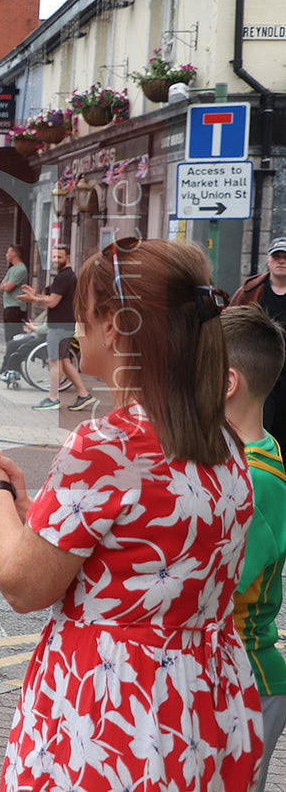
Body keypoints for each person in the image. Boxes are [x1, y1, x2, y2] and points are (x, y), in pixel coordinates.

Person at [0, 237, 260, 791]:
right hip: (200, 703)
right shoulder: (224, 439)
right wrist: (24, 501)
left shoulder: (109, 444)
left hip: (112, 707)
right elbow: (127, 548)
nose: (78, 328)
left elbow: (23, 585)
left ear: (116, 327)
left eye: (85, 316)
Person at [223, 303, 286, 792]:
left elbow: (212, 584)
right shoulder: (241, 459)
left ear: (226, 383)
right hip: (227, 671)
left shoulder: (256, 479)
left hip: (247, 677)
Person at [20, 244, 93, 412]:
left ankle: (53, 398)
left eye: (59, 257)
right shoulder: (65, 276)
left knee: (55, 362)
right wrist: (36, 295)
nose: (55, 260)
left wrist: (32, 299)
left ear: (67, 258)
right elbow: (52, 298)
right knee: (64, 361)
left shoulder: (64, 277)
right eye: (53, 257)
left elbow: (52, 302)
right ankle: (83, 395)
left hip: (59, 326)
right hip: (65, 325)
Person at [230, 236, 286, 447]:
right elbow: (231, 325)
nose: (281, 261)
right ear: (269, 261)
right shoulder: (249, 292)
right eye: (277, 257)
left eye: (285, 257)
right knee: (258, 429)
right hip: (259, 371)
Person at [0, 244, 29, 344]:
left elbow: (7, 287)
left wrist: (5, 285)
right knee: (8, 335)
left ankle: (13, 356)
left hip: (16, 308)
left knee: (14, 336)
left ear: (14, 254)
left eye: (8, 252)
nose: (6, 255)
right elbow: (1, 286)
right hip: (8, 307)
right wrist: (4, 285)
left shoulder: (21, 269)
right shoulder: (12, 269)